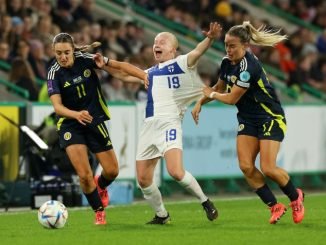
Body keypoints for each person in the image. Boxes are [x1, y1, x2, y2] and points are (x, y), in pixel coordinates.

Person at [192, 21, 305, 224]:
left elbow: (231, 98)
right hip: (248, 119)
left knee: (268, 168)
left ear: (246, 45)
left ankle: (296, 197)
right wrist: (201, 102)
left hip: (270, 116)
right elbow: (219, 87)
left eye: (233, 45)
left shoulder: (248, 67)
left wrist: (212, 94)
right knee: (245, 166)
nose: (229, 49)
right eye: (226, 45)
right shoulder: (227, 63)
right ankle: (274, 206)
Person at [47, 32, 147, 225]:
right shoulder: (53, 72)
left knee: (112, 171)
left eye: (66, 52)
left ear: (73, 50)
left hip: (94, 120)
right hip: (70, 124)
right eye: (58, 53)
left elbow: (118, 67)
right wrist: (76, 115)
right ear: (54, 52)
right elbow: (57, 107)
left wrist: (143, 75)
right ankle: (99, 212)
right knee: (84, 175)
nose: (63, 57)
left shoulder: (86, 59)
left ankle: (100, 186)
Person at [136, 22, 221, 224]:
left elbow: (197, 52)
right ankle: (161, 215)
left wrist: (209, 38)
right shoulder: (149, 73)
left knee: (175, 171)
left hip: (169, 124)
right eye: (155, 42)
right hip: (149, 126)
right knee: (143, 179)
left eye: (162, 41)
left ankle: (205, 201)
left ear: (173, 50)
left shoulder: (182, 63)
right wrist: (102, 64)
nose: (157, 44)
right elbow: (125, 73)